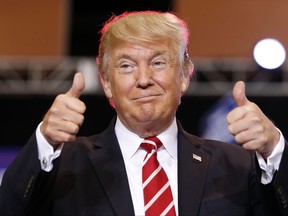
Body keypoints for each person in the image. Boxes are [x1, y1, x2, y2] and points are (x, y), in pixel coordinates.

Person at [0, 10, 287, 216]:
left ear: (185, 76)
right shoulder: (64, 165)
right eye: (126, 66)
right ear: (107, 83)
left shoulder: (237, 166)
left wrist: (275, 147)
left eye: (159, 62)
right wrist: (45, 140)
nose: (143, 79)